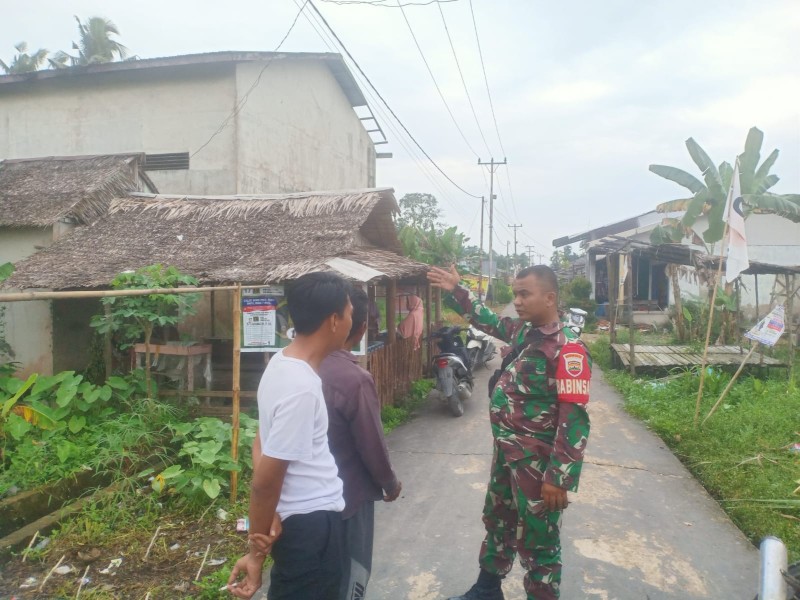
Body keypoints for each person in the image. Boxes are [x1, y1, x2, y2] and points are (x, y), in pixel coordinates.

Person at [427, 264, 592, 600]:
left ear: (550, 298)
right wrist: (457, 290)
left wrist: (559, 477)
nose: (517, 301)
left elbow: (574, 418)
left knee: (540, 540)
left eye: (524, 294)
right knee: (498, 520)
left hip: (537, 463)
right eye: (515, 294)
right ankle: (487, 590)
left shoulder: (568, 348)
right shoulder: (523, 332)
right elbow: (486, 319)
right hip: (507, 453)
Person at [227, 271, 353, 600]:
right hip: (312, 529)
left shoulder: (280, 364)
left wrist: (274, 511)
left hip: (297, 521)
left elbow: (261, 441)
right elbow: (264, 482)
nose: (352, 322)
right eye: (349, 313)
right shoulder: (302, 387)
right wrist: (255, 554)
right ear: (334, 320)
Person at [319, 285, 402, 600]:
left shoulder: (291, 367)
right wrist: (390, 483)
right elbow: (372, 445)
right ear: (363, 326)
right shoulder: (353, 379)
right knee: (350, 580)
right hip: (349, 497)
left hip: (302, 506)